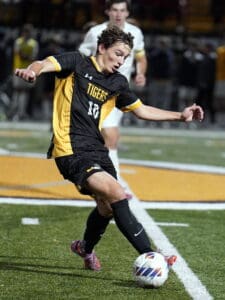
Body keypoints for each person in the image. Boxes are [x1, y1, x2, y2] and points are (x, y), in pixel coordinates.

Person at [15, 26, 203, 272]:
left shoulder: (117, 82)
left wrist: (180, 115)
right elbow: (42, 63)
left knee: (106, 207)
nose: (121, 60)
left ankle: (85, 248)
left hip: (97, 148)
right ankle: (151, 255)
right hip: (70, 148)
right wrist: (32, 71)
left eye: (125, 56)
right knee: (116, 192)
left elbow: (142, 110)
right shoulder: (77, 62)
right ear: (102, 48)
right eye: (117, 54)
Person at [79, 0, 147, 190]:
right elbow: (81, 56)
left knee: (110, 136)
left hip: (118, 92)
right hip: (94, 91)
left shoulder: (136, 33)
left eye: (122, 10)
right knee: (99, 137)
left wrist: (140, 73)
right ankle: (99, 179)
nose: (118, 14)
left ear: (127, 13)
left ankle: (113, 183)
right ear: (107, 11)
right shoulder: (95, 33)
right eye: (115, 10)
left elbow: (141, 57)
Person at [10, 23, 39, 120]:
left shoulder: (33, 43)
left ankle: (21, 113)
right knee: (17, 91)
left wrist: (26, 56)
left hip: (28, 70)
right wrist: (27, 57)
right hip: (18, 69)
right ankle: (14, 112)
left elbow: (33, 57)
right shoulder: (18, 42)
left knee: (24, 92)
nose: (27, 34)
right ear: (23, 32)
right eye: (26, 32)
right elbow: (19, 55)